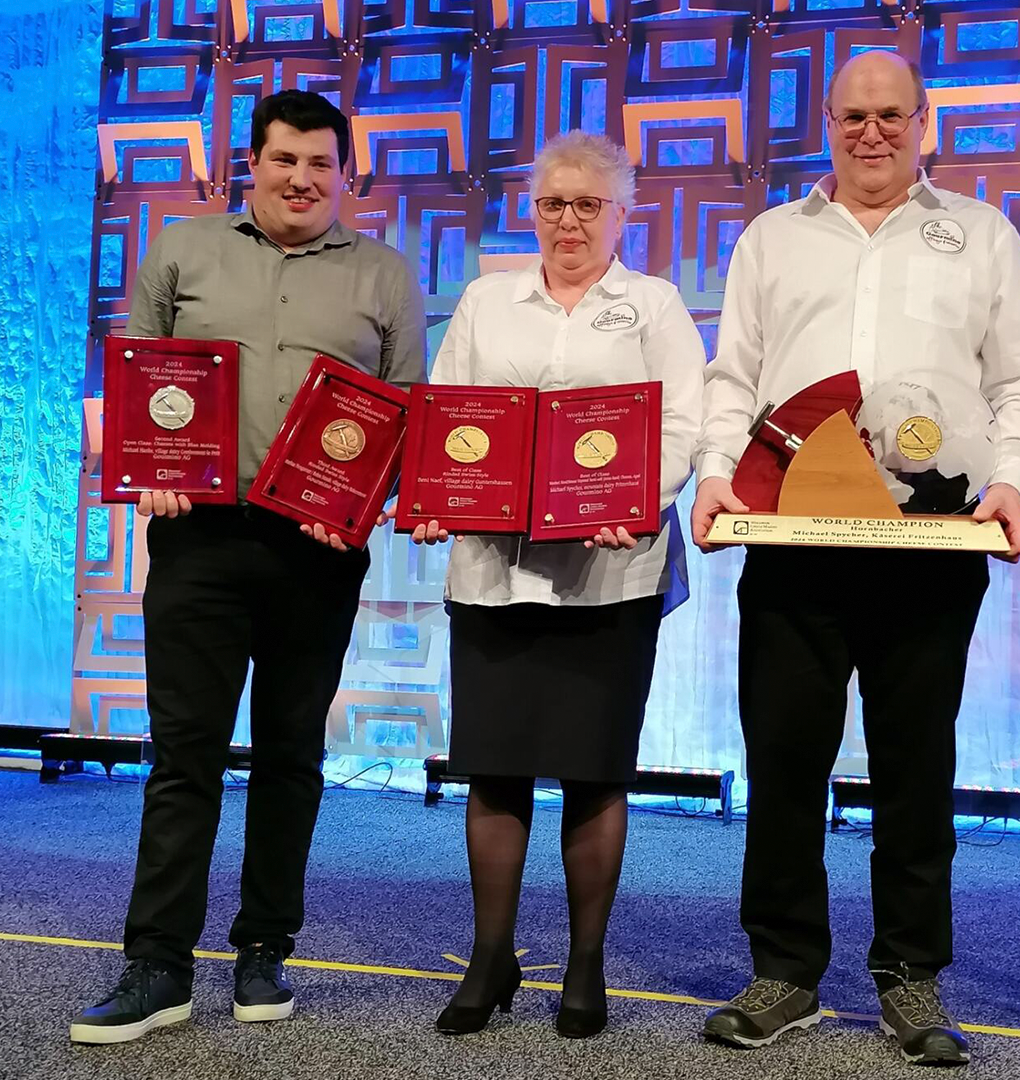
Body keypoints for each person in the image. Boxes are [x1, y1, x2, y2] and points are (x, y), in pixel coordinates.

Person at [691, 51, 1020, 1066]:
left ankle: (910, 976)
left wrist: (1012, 478)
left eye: (891, 115)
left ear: (925, 122)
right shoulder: (773, 237)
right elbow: (734, 377)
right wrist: (717, 472)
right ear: (827, 118)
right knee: (781, 764)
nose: (871, 132)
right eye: (853, 115)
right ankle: (786, 973)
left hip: (934, 548)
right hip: (793, 546)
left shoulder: (981, 234)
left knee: (915, 770)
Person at [70, 90, 427, 1044]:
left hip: (317, 553)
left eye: (321, 164)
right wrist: (146, 473)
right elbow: (139, 375)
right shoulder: (183, 251)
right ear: (252, 165)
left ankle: (265, 947)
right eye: (284, 161)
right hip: (198, 538)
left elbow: (404, 414)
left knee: (291, 757)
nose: (302, 179)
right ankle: (157, 966)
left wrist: (362, 504)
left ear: (346, 175)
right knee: (182, 757)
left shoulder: (386, 274)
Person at [407, 131, 703, 1040]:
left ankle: (585, 964)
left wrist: (637, 499)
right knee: (493, 769)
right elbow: (446, 407)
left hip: (613, 570)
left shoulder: (652, 304)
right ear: (529, 210)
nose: (568, 220)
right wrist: (431, 492)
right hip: (492, 570)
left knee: (594, 769)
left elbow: (685, 424)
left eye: (587, 204)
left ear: (623, 214)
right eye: (551, 203)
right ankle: (490, 957)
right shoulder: (486, 300)